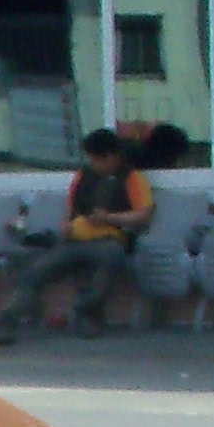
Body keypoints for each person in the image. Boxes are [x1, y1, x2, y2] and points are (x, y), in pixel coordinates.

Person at [30, 127, 153, 336]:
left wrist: (108, 218)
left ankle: (85, 309)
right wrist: (65, 225)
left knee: (109, 260)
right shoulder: (82, 176)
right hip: (76, 239)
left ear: (112, 157)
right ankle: (7, 318)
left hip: (108, 239)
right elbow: (70, 208)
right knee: (37, 269)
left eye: (97, 159)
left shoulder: (131, 178)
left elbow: (143, 214)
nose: (93, 164)